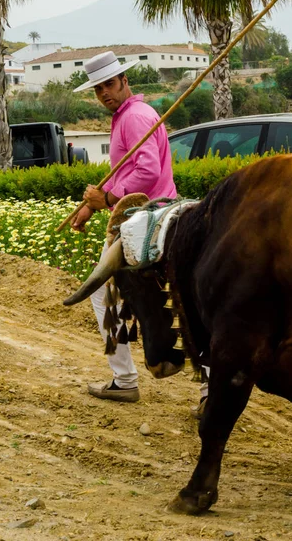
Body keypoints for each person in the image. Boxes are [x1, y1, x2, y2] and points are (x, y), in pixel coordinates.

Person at [71, 51, 177, 402]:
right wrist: (92, 204)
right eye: (98, 88)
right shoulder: (130, 115)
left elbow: (146, 173)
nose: (104, 93)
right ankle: (206, 387)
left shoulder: (133, 117)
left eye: (109, 85)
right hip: (151, 216)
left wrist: (109, 199)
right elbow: (131, 172)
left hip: (143, 222)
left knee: (102, 295)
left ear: (124, 81)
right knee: (180, 299)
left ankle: (125, 380)